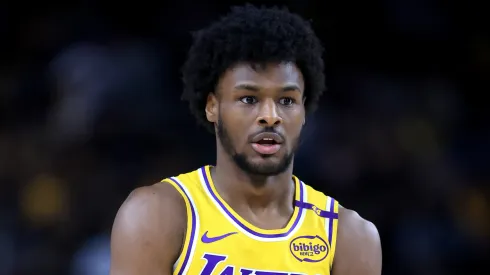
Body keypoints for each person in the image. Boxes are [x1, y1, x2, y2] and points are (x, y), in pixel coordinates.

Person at [110, 5, 382, 275]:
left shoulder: (348, 236)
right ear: (212, 106)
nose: (270, 116)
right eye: (249, 99)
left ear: (304, 111)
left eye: (286, 100)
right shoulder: (157, 216)